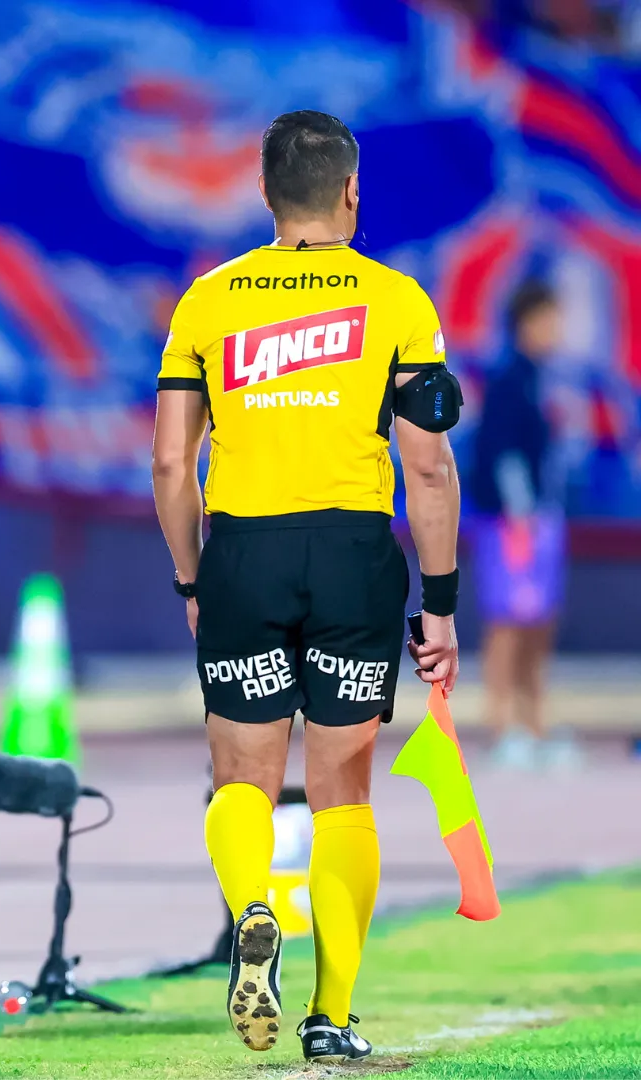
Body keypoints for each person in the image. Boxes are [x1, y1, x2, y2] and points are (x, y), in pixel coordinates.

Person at [151, 111, 461, 1064]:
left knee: (242, 781)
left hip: (243, 551)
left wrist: (193, 581)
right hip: (352, 558)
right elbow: (433, 470)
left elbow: (169, 464)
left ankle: (253, 909)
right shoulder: (398, 301)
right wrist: (440, 606)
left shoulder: (208, 301)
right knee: (341, 798)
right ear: (351, 191)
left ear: (264, 195)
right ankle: (333, 1017)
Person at [469, 280, 573, 770]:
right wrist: (521, 515)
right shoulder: (509, 379)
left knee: (539, 625)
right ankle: (503, 727)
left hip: (542, 520)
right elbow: (503, 456)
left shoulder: (539, 378)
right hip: (512, 523)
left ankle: (535, 726)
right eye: (550, 320)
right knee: (508, 624)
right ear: (527, 324)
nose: (558, 331)